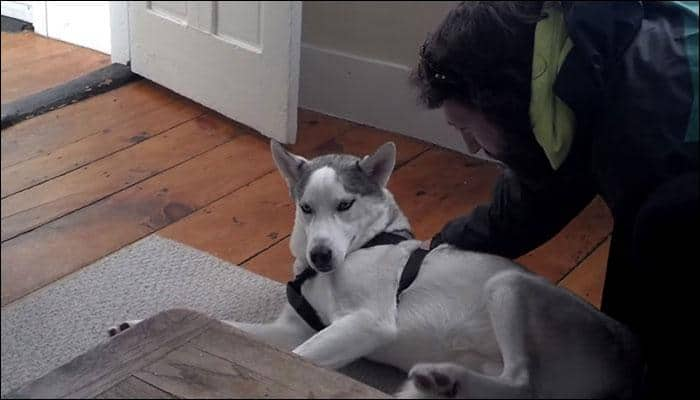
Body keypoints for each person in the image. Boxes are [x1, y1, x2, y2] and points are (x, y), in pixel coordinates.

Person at [411, 1, 698, 397]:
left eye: (467, 127)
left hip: (681, 179)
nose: (471, 146)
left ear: (504, 105)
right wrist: (438, 246)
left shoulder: (643, 143)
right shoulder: (580, 57)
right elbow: (539, 192)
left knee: (662, 243)